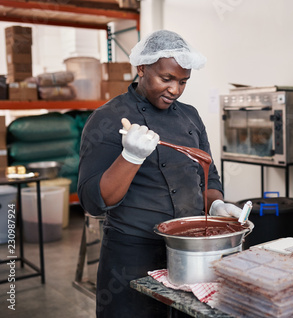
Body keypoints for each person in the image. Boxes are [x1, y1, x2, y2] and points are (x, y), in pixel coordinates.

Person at [77, 30, 242, 318]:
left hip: (189, 255)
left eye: (183, 82)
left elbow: (208, 176)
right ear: (141, 68)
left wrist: (216, 205)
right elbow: (93, 201)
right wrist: (131, 157)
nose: (175, 90)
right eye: (166, 79)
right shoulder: (108, 118)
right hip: (132, 255)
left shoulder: (190, 116)